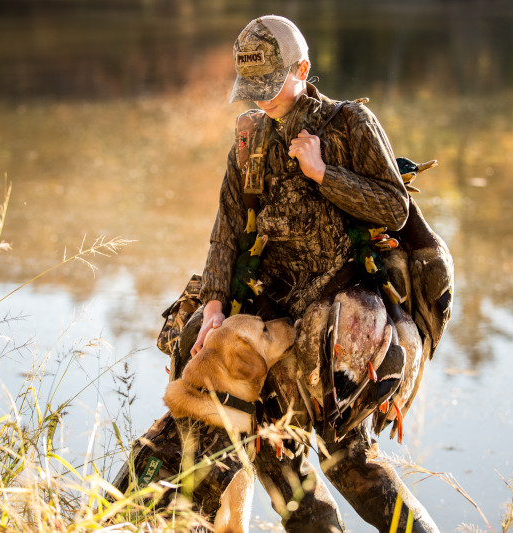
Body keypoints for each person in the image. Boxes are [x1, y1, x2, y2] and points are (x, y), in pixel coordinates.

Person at [186, 15, 440, 532]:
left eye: (271, 86)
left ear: (303, 68)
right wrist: (213, 301)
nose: (261, 100)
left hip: (342, 334)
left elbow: (394, 208)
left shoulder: (349, 125)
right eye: (252, 89)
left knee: (348, 461)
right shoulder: (248, 139)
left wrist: (325, 174)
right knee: (274, 455)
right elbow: (226, 231)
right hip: (273, 328)